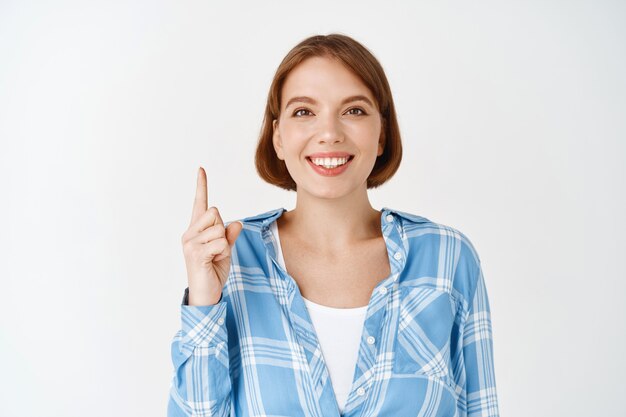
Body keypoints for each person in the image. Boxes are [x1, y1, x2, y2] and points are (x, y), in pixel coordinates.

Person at [167, 33, 500, 417]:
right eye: (304, 112)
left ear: (382, 134)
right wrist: (204, 301)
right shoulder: (232, 260)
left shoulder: (446, 258)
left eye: (354, 110)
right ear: (277, 137)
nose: (329, 133)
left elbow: (480, 407)